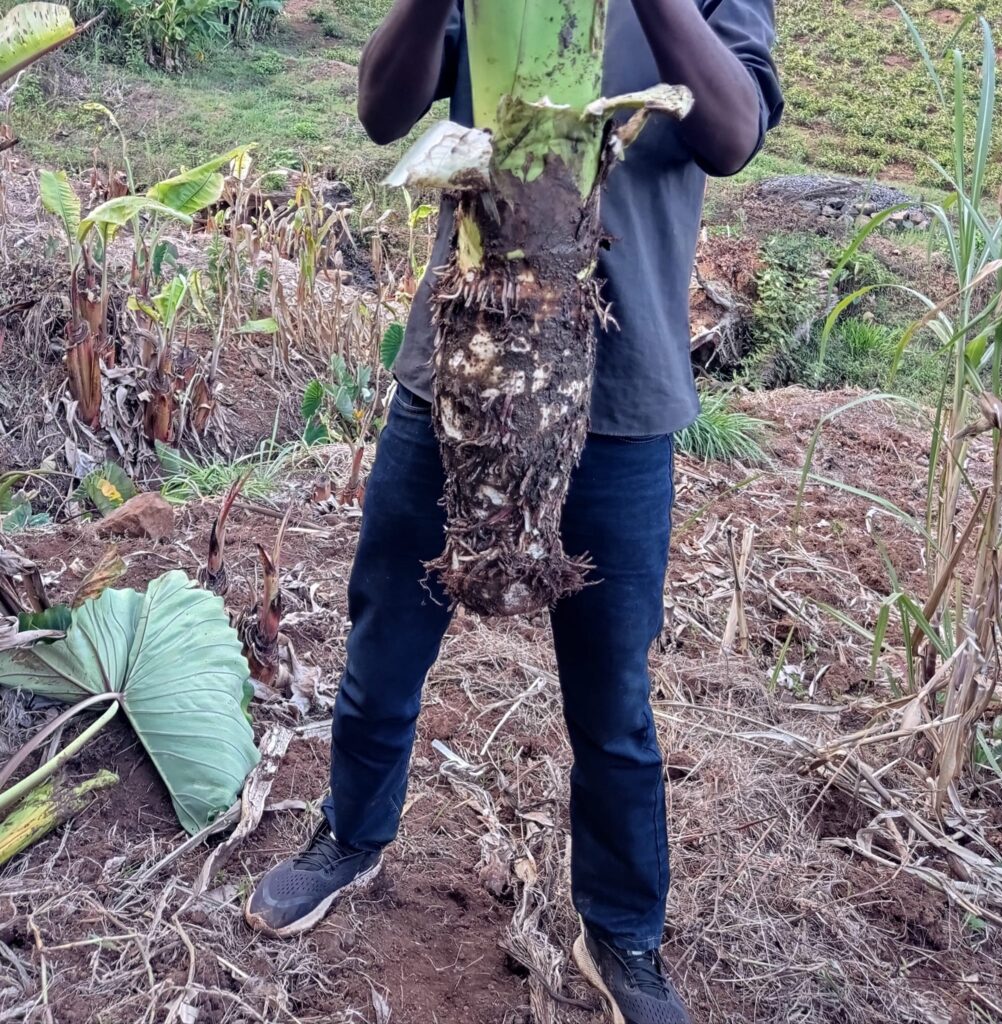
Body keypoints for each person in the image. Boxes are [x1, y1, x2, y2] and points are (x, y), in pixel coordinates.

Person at [246, 1, 782, 1021]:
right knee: (386, 630)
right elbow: (378, 109)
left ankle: (619, 932)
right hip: (462, 364)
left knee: (611, 689)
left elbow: (730, 134)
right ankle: (351, 837)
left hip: (623, 400)